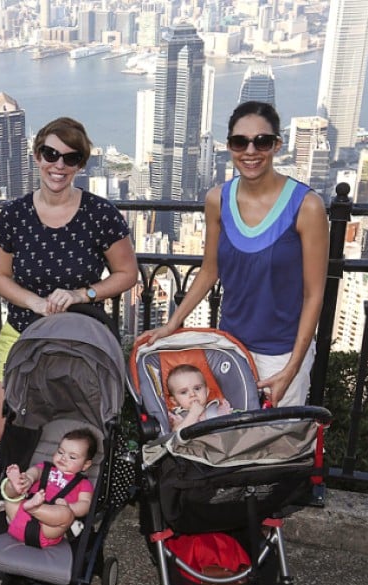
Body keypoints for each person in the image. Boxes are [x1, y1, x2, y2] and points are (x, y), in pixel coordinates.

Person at [139, 102, 329, 407]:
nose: (250, 151)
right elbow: (209, 270)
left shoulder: (306, 206)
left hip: (280, 353)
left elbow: (314, 294)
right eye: (240, 142)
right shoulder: (218, 199)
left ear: (277, 145)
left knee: (276, 446)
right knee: (231, 442)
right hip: (230, 346)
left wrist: (293, 367)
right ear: (229, 147)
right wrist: (174, 322)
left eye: (262, 141)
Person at [0, 117, 139, 442]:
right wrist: (35, 302)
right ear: (37, 156)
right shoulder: (14, 215)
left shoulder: (100, 215)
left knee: (71, 429)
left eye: (70, 158)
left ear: (81, 165)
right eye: (50, 154)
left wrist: (82, 294)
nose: (58, 165)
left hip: (78, 339)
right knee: (1, 429)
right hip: (22, 332)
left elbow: (127, 273)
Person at [0, 429, 96, 549]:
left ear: (86, 465)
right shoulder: (45, 467)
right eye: (60, 452)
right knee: (11, 488)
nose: (64, 458)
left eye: (72, 457)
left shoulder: (83, 483)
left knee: (66, 515)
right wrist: (28, 479)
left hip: (47, 528)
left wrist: (69, 507)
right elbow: (35, 472)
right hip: (18, 515)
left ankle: (34, 508)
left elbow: (86, 505)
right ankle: (16, 486)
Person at [165, 364, 233, 431]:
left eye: (197, 388)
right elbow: (176, 435)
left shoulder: (220, 407)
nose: (192, 394)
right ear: (174, 401)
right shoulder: (178, 418)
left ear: (206, 392)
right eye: (184, 392)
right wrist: (193, 414)